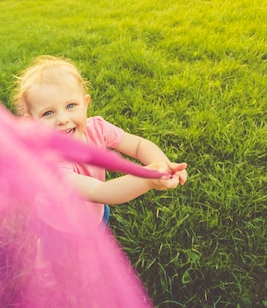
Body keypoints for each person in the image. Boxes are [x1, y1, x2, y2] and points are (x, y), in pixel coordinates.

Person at [12, 55, 188, 225]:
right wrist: (148, 179)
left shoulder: (97, 129)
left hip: (93, 212)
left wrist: (164, 166)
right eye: (48, 113)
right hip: (60, 225)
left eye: (71, 106)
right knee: (51, 255)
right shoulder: (51, 162)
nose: (63, 119)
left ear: (85, 103)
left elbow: (138, 145)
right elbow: (100, 191)